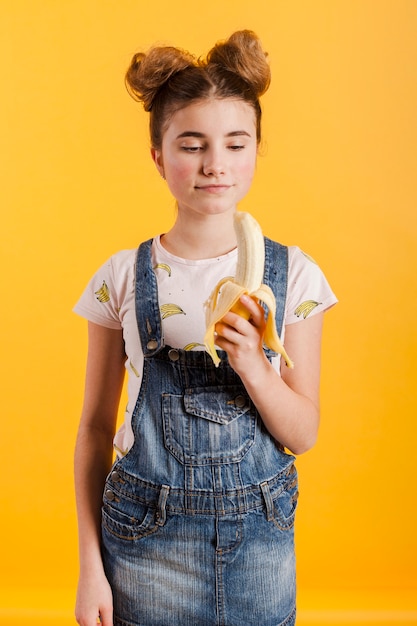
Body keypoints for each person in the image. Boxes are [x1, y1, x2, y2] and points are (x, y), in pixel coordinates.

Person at [73, 30, 337, 626]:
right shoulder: (122, 276)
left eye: (235, 144)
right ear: (159, 156)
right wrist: (90, 566)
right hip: (144, 540)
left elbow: (304, 433)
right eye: (191, 145)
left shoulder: (294, 275)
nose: (215, 163)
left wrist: (252, 366)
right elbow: (94, 429)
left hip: (261, 544)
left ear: (255, 151)